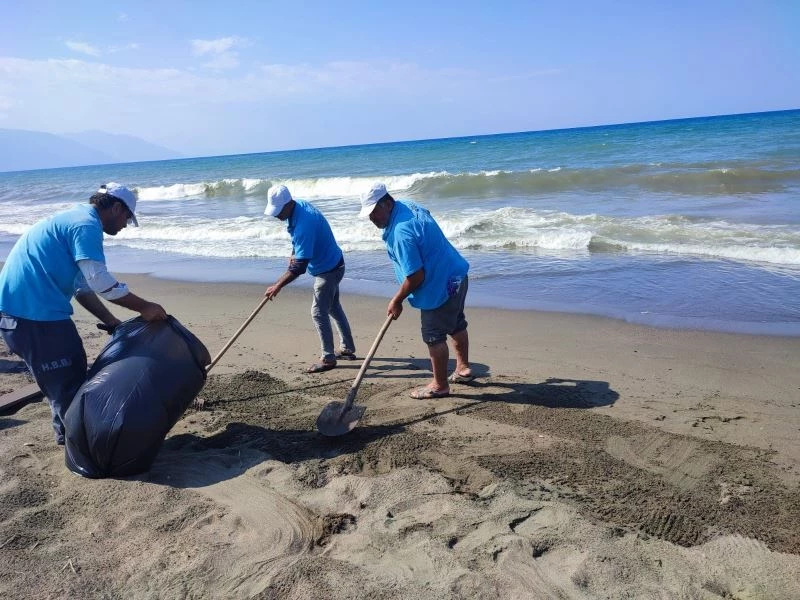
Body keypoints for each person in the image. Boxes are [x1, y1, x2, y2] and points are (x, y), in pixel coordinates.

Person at [0, 183, 168, 445]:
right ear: (115, 207)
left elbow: (82, 287)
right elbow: (101, 281)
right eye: (126, 217)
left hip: (26, 314)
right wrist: (145, 307)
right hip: (32, 316)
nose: (125, 225)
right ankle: (80, 449)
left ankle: (73, 439)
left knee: (70, 375)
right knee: (68, 385)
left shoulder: (75, 219)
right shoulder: (86, 226)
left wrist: (111, 321)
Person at [360, 183, 473, 399]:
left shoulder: (400, 232)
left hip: (437, 286)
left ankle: (439, 385)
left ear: (388, 203)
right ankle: (463, 368)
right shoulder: (408, 206)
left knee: (433, 335)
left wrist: (397, 300)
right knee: (456, 322)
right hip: (456, 274)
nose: (372, 218)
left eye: (375, 211)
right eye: (369, 214)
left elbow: (416, 276)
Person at [263, 185, 356, 373]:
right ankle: (347, 348)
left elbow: (299, 267)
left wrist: (277, 286)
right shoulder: (300, 208)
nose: (276, 215)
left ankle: (328, 358)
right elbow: (297, 242)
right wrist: (294, 252)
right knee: (332, 306)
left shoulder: (305, 223)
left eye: (278, 211)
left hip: (328, 271)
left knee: (318, 312)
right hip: (335, 263)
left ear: (288, 204)